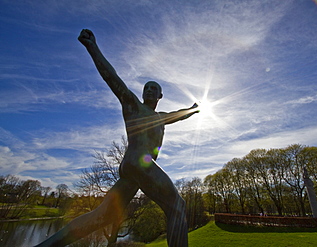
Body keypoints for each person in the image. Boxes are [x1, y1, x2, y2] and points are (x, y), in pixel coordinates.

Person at [35, 29, 199, 247]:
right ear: (142, 94)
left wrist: (192, 109)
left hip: (132, 172)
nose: (149, 90)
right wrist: (92, 47)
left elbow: (176, 116)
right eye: (146, 88)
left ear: (160, 96)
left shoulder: (159, 118)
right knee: (177, 206)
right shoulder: (133, 106)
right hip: (139, 164)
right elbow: (112, 78)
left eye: (154, 89)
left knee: (102, 216)